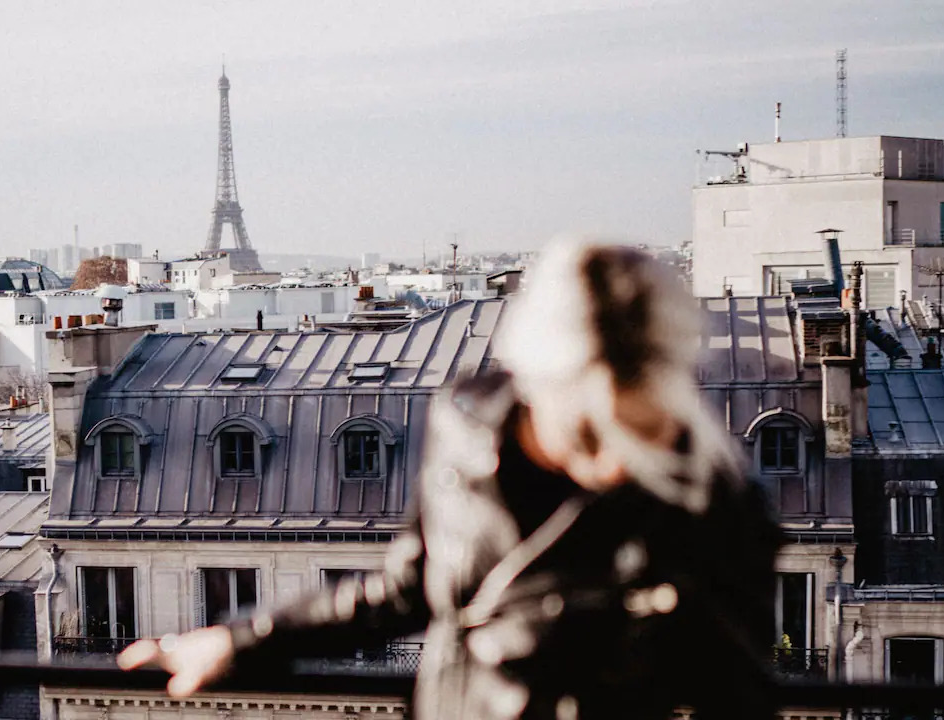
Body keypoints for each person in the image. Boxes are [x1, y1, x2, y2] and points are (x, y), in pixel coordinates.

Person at [120, 240, 782, 720]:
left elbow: (737, 698)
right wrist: (238, 640)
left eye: (641, 431)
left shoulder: (710, 498)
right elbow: (410, 589)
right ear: (534, 380)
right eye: (590, 430)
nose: (614, 461)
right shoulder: (467, 429)